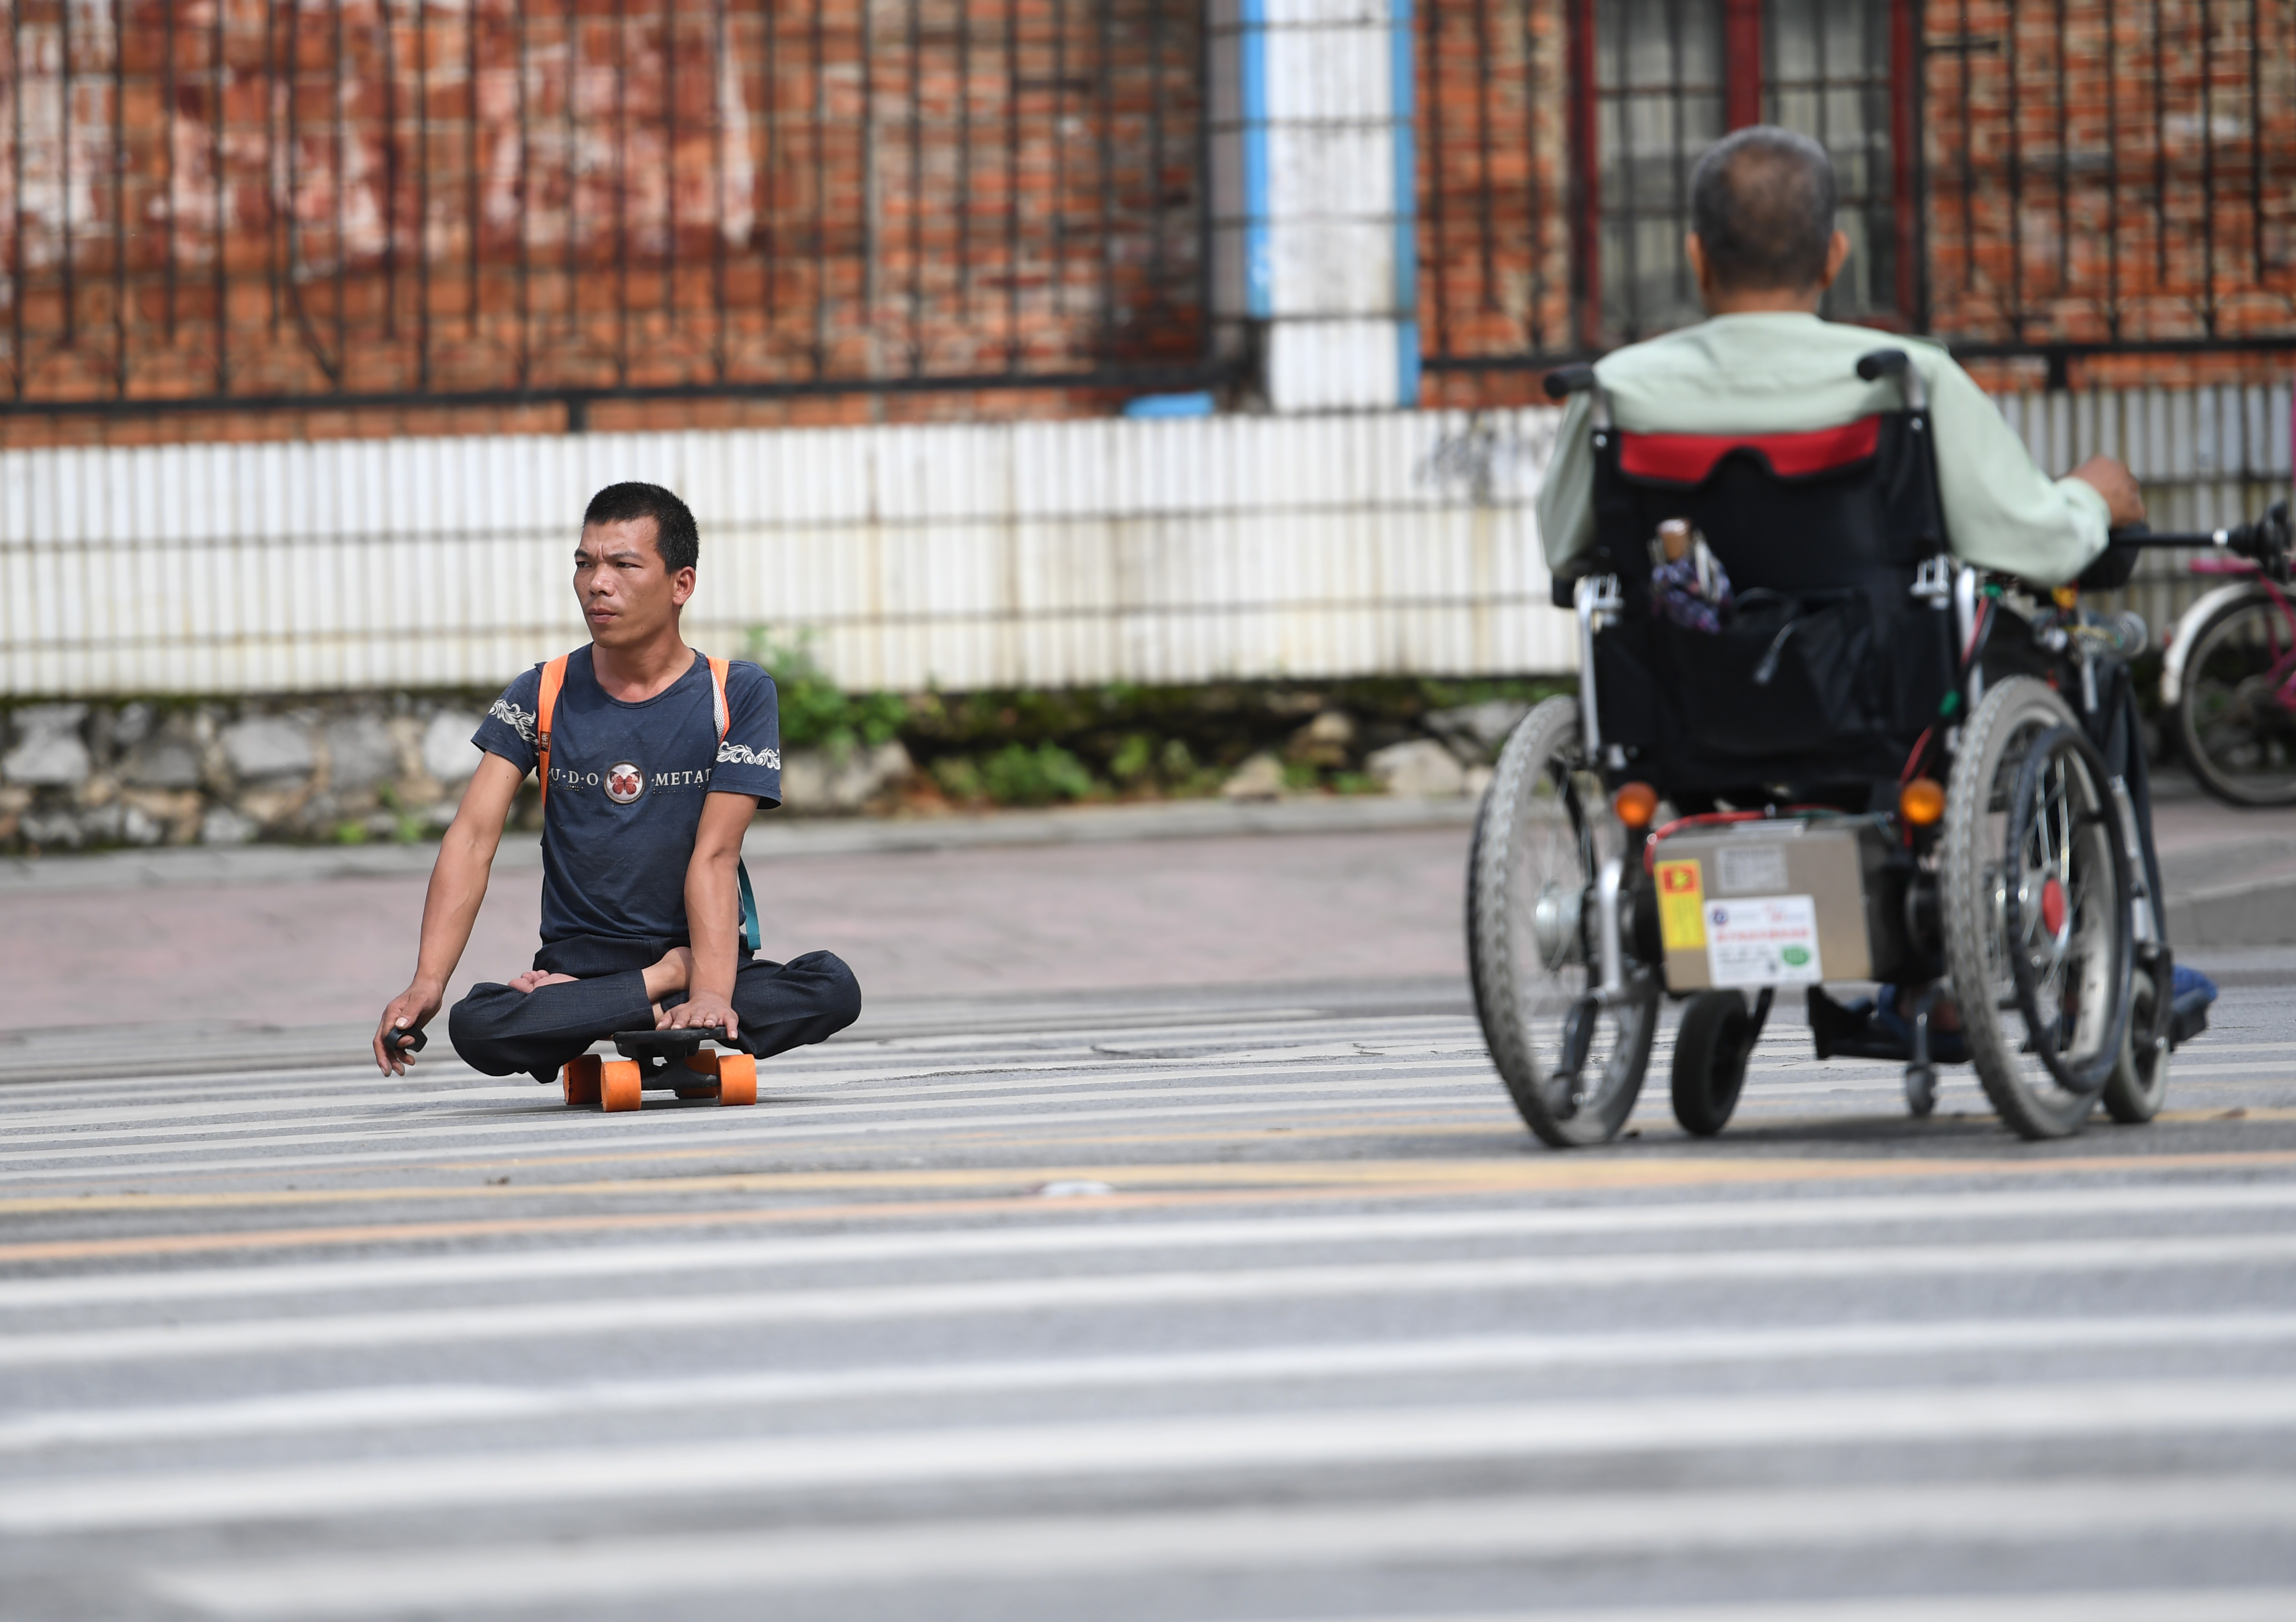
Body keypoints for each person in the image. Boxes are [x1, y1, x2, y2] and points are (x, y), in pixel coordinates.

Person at [372, 482, 861, 1084]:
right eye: (585, 564)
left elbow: (716, 854)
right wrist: (428, 982)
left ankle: (653, 1014)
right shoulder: (543, 692)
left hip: (699, 956)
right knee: (477, 1024)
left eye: (624, 565)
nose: (597, 583)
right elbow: (471, 839)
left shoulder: (735, 692)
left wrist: (710, 986)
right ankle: (661, 1002)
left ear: (681, 584)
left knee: (832, 985)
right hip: (578, 971)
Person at [1535, 125, 2146, 586]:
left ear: (1697, 258)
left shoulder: (1614, 389)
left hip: (1675, 699)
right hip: (1877, 706)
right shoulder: (1907, 378)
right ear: (1834, 256)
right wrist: (2090, 497)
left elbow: (1565, 548)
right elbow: (2032, 543)